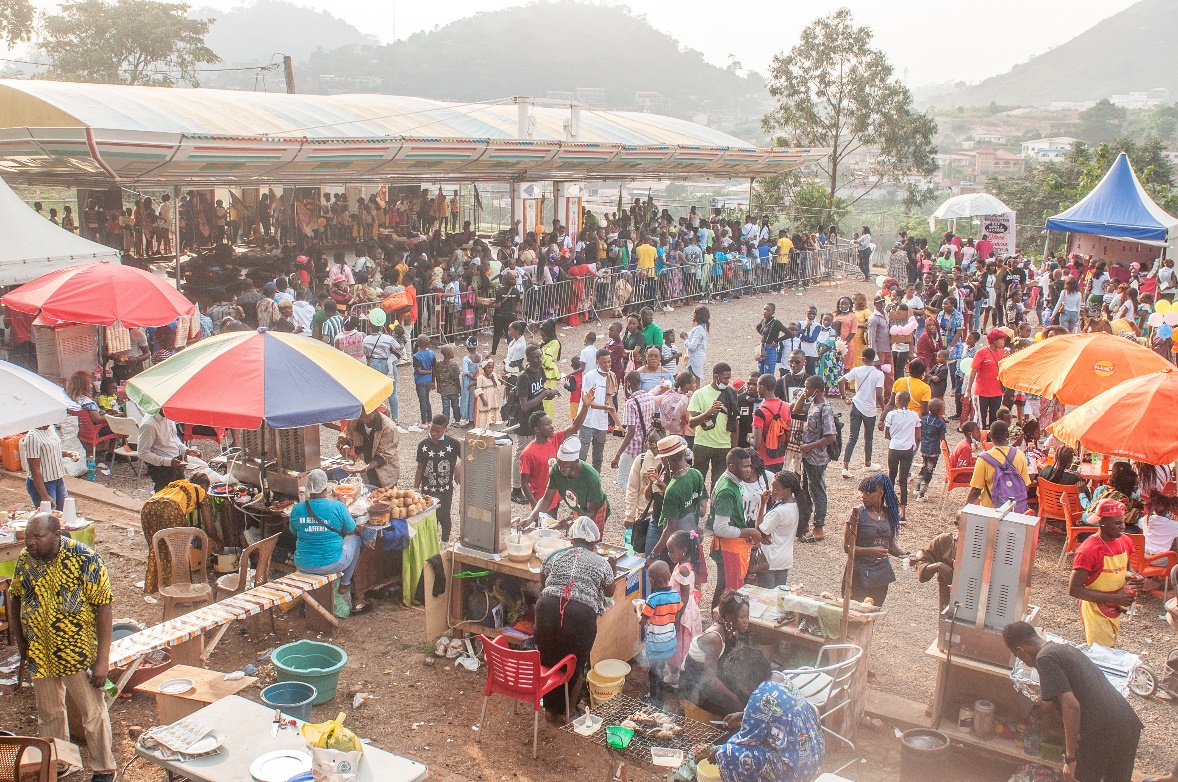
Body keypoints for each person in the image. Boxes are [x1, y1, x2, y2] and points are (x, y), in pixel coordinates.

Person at [11, 513, 117, 782]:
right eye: (28, 537)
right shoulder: (26, 559)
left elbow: (104, 607)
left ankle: (104, 769)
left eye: (38, 537)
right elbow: (15, 595)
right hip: (40, 650)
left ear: (57, 535)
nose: (31, 543)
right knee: (49, 713)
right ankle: (57, 763)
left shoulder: (85, 558)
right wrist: (21, 640)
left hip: (77, 651)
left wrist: (102, 660)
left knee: (91, 712)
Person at [1002, 621, 1143, 782]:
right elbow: (1061, 693)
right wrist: (1040, 711)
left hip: (1101, 733)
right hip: (1127, 724)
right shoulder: (1062, 649)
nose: (1025, 663)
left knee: (1077, 777)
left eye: (1019, 657)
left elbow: (1071, 706)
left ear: (1021, 651)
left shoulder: (1044, 659)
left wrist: (1070, 759)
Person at [533, 516, 616, 719]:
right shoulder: (601, 563)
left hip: (547, 607)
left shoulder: (555, 555)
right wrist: (612, 567)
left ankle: (550, 708)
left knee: (549, 657)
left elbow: (543, 579)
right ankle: (568, 712)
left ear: (571, 540)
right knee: (576, 662)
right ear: (594, 543)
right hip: (580, 614)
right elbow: (610, 591)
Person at [708, 678, 825, 782]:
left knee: (728, 754)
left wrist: (718, 751)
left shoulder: (760, 696)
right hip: (812, 761)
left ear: (744, 684)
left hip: (795, 773)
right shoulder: (779, 678)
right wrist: (746, 715)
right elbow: (775, 713)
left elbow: (745, 740)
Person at [1070, 498, 1143, 648]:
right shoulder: (1088, 550)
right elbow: (1074, 590)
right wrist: (1115, 598)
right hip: (1095, 609)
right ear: (1102, 523)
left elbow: (1125, 569)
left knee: (1109, 647)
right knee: (1099, 653)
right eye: (1117, 523)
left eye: (1123, 522)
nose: (1123, 527)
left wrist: (1134, 577)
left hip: (1115, 606)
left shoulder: (1125, 541)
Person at [139, 473, 220, 593]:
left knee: (158, 549)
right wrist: (218, 541)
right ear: (204, 485)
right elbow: (209, 527)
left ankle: (163, 588)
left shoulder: (177, 485)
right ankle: (183, 595)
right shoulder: (200, 491)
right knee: (179, 553)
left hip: (148, 508)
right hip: (171, 510)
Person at [290, 469, 360, 604]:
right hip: (332, 563)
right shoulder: (338, 506)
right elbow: (351, 530)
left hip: (303, 563)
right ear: (326, 487)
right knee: (355, 539)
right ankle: (346, 582)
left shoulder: (297, 509)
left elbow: (294, 531)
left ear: (309, 487)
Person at [680, 589, 750, 717]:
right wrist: (733, 696)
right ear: (729, 617)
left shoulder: (731, 631)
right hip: (694, 684)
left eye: (747, 616)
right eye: (741, 617)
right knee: (735, 706)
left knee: (746, 696)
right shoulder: (715, 639)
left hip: (712, 676)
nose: (746, 621)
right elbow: (710, 678)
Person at [523, 438, 610, 535]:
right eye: (559, 463)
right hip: (578, 507)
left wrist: (570, 525)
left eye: (565, 466)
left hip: (594, 510)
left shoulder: (591, 477)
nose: (561, 469)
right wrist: (530, 519)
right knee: (576, 538)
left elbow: (591, 512)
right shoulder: (556, 469)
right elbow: (546, 499)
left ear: (576, 461)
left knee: (590, 540)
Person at [519, 396, 591, 513]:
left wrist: (585, 406)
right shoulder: (527, 453)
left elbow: (575, 426)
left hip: (554, 498)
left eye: (551, 422)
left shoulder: (554, 439)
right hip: (541, 502)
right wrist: (536, 507)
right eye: (547, 424)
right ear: (537, 429)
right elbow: (524, 482)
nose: (552, 426)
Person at [845, 473, 907, 605]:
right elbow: (847, 547)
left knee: (872, 614)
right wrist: (871, 551)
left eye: (868, 493)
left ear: (880, 493)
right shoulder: (856, 514)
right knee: (854, 615)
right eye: (862, 492)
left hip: (880, 575)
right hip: (858, 574)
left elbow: (889, 545)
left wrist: (905, 555)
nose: (863, 496)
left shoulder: (889, 515)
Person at [709, 448, 762, 603]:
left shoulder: (732, 480)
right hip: (727, 549)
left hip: (732, 547)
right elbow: (720, 528)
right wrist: (748, 532)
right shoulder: (727, 490)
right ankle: (719, 621)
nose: (749, 470)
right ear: (732, 467)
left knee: (727, 587)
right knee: (726, 590)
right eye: (745, 467)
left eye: (750, 466)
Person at [510, 345, 559, 503]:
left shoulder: (540, 371)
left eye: (540, 356)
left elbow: (539, 390)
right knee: (521, 454)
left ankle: (532, 484)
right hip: (525, 421)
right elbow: (524, 405)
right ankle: (516, 489)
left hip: (538, 418)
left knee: (535, 452)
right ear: (528, 359)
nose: (539, 359)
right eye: (536, 357)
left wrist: (548, 393)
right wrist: (544, 393)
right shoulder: (523, 377)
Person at [796, 376, 838, 541]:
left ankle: (819, 526)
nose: (805, 390)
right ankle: (805, 523)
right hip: (808, 456)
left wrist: (809, 446)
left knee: (817, 491)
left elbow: (831, 437)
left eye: (808, 388)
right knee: (806, 489)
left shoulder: (825, 408)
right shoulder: (813, 404)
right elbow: (797, 409)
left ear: (818, 390)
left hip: (817, 457)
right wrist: (804, 395)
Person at [414, 415, 462, 542]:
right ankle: (431, 541)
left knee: (444, 516)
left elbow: (469, 456)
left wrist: (460, 465)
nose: (434, 434)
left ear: (445, 429)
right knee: (429, 516)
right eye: (432, 430)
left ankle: (445, 541)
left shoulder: (453, 444)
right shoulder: (423, 445)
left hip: (445, 489)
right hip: (427, 489)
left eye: (438, 431)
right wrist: (415, 488)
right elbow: (419, 468)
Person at [641, 560, 682, 708]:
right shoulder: (676, 596)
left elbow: (643, 621)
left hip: (656, 644)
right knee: (660, 666)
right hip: (669, 642)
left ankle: (656, 703)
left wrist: (637, 611)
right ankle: (659, 694)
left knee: (654, 674)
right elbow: (676, 614)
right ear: (669, 576)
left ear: (651, 581)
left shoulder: (652, 599)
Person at [688, 362, 735, 490]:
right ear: (716, 376)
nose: (727, 382)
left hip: (723, 445)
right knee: (697, 482)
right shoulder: (700, 394)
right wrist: (709, 412)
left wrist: (733, 448)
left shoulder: (731, 394)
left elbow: (735, 422)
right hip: (702, 445)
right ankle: (698, 509)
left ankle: (715, 510)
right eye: (725, 378)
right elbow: (691, 422)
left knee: (719, 485)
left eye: (729, 378)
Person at [839, 348, 884, 477]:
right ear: (874, 359)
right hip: (869, 408)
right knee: (868, 437)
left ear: (863, 359)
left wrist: (844, 397)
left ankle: (845, 467)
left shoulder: (857, 370)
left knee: (852, 437)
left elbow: (841, 381)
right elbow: (879, 394)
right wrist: (883, 408)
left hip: (856, 405)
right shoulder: (878, 374)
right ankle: (867, 463)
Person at [965, 421, 1030, 510]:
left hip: (990, 511)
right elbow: (1025, 485)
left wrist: (964, 509)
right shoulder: (1020, 454)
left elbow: (976, 490)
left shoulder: (983, 458)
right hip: (1014, 511)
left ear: (990, 435)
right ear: (1007, 435)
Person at [665, 529, 703, 682]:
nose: (669, 554)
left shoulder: (683, 570)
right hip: (686, 609)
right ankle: (676, 675)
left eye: (671, 551)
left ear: (683, 550)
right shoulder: (685, 564)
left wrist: (676, 618)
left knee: (680, 645)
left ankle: (678, 676)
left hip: (681, 612)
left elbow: (685, 596)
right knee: (682, 644)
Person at [755, 470, 801, 587]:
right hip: (784, 560)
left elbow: (758, 531)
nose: (772, 491)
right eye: (772, 487)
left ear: (787, 491)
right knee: (777, 597)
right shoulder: (796, 506)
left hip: (769, 560)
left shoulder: (779, 512)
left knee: (765, 598)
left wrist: (762, 504)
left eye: (776, 489)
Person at [612, 370, 656, 489]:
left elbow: (631, 431)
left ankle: (633, 501)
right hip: (646, 444)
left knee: (622, 479)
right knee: (640, 478)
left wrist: (618, 455)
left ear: (628, 385)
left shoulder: (631, 403)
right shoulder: (649, 398)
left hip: (633, 447)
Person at [137, 412, 201, 492]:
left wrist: (186, 450)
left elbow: (173, 438)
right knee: (165, 498)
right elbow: (142, 453)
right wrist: (168, 462)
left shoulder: (168, 416)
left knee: (181, 494)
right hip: (161, 468)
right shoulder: (149, 424)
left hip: (176, 463)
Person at [20, 424, 77, 510]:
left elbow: (50, 451)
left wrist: (67, 453)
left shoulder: (51, 428)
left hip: (58, 480)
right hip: (44, 484)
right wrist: (44, 495)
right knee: (48, 517)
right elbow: (34, 469)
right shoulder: (33, 437)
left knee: (65, 512)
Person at [966, 328, 1008, 427]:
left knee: (995, 417)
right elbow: (973, 372)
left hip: (997, 391)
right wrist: (968, 390)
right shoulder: (982, 352)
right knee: (980, 418)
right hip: (982, 391)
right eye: (1001, 339)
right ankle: (978, 440)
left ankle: (990, 440)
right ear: (994, 340)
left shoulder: (1002, 352)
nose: (1003, 342)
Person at [752, 374, 790, 474]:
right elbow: (788, 430)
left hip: (763, 458)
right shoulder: (785, 406)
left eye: (757, 386)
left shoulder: (760, 412)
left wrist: (748, 438)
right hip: (780, 457)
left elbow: (757, 443)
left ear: (762, 387)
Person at [915, 398, 949, 502]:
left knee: (924, 466)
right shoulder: (940, 423)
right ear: (940, 410)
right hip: (933, 450)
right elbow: (942, 438)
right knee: (929, 470)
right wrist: (947, 450)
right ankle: (921, 494)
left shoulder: (923, 419)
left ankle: (917, 487)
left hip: (924, 447)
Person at [913, 530, 957, 610]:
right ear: (957, 524)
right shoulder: (945, 541)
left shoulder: (983, 548)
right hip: (947, 604)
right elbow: (921, 562)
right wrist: (936, 566)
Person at [756, 303, 789, 376]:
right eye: (764, 309)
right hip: (762, 348)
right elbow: (758, 327)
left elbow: (789, 334)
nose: (765, 311)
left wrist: (776, 340)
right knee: (760, 372)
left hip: (770, 348)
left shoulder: (776, 323)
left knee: (768, 374)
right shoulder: (764, 320)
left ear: (773, 312)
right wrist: (764, 336)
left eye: (768, 310)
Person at [411, 335, 436, 428]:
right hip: (429, 380)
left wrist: (428, 371)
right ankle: (429, 420)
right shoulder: (431, 353)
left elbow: (419, 371)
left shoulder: (416, 356)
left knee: (422, 401)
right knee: (427, 399)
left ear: (417, 343)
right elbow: (434, 368)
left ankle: (424, 421)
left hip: (420, 380)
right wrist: (433, 380)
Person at [681, 305, 710, 379]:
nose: (692, 314)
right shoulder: (702, 328)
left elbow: (692, 346)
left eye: (694, 312)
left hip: (695, 357)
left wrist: (685, 338)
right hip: (697, 356)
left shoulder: (699, 329)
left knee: (694, 381)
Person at [473, 359, 502, 431]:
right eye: (489, 368)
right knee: (485, 411)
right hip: (485, 397)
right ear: (484, 368)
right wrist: (483, 400)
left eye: (492, 368)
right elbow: (479, 390)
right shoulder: (480, 378)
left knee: (492, 410)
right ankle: (483, 428)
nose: (491, 369)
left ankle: (493, 428)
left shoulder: (494, 375)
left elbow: (496, 386)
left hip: (492, 397)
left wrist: (493, 379)